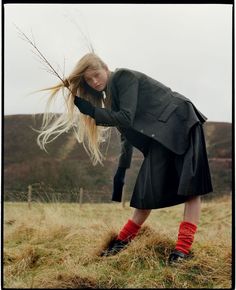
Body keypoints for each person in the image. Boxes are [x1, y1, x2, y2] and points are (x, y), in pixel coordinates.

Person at [37, 53, 213, 264]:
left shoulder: (123, 77)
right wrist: (121, 172)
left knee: (191, 188)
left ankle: (181, 251)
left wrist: (92, 111)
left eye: (96, 75)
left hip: (180, 120)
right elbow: (126, 135)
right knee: (144, 193)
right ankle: (121, 243)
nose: (95, 82)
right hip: (159, 134)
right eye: (89, 80)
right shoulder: (111, 100)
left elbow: (126, 118)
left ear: (105, 67)